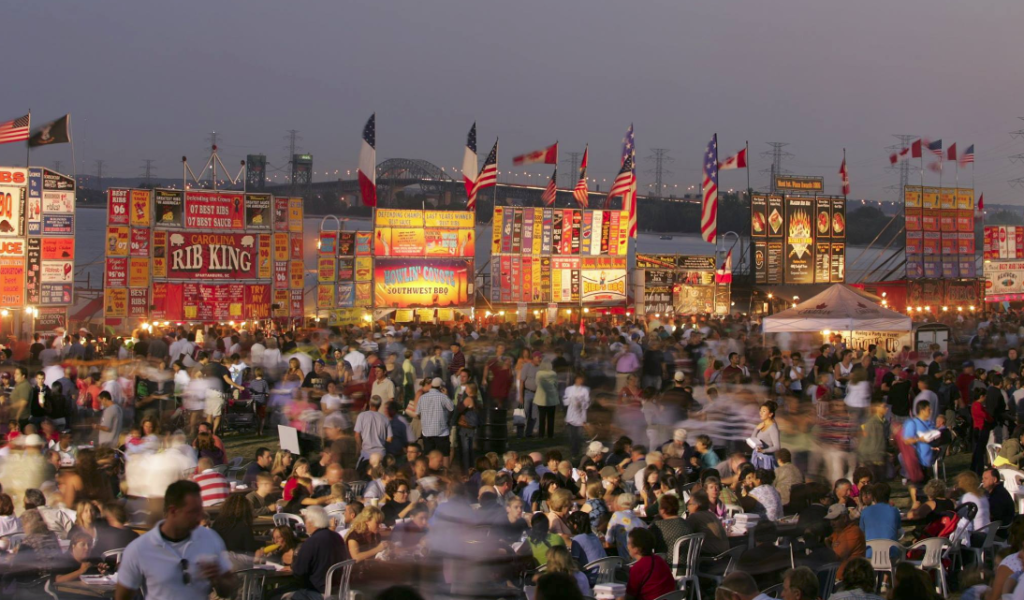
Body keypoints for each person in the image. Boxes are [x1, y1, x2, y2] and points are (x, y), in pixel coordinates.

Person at [115, 481, 237, 600]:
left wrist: (218, 579)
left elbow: (230, 590)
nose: (199, 517)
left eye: (200, 510)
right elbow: (122, 596)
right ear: (173, 511)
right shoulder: (140, 548)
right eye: (193, 512)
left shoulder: (210, 538)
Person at [283, 506, 350, 600]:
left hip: (316, 593)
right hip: (339, 591)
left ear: (311, 522)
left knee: (273, 595)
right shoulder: (338, 538)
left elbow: (299, 572)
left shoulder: (311, 542)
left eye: (306, 521)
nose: (305, 524)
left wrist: (292, 566)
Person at [624, 528, 675, 600]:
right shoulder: (659, 560)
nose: (627, 546)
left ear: (636, 549)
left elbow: (629, 597)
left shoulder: (638, 568)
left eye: (629, 543)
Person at [824, 504, 865, 581]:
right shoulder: (838, 531)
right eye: (830, 520)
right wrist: (829, 546)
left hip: (849, 580)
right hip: (836, 578)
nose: (831, 523)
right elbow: (827, 542)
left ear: (844, 518)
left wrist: (829, 547)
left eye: (835, 519)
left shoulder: (853, 532)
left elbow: (834, 557)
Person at [416, 378, 453, 461]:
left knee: (428, 455)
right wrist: (446, 395)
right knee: (445, 455)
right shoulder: (443, 397)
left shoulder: (422, 398)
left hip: (427, 432)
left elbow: (417, 413)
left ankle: (429, 472)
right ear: (440, 387)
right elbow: (451, 408)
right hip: (442, 432)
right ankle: (445, 473)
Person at [354, 395, 393, 464]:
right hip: (381, 454)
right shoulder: (385, 419)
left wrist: (358, 450)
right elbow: (390, 438)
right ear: (380, 405)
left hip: (366, 453)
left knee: (360, 472)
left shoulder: (362, 416)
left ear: (369, 403)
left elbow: (357, 435)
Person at [563, 373, 591, 459]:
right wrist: (572, 400)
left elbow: (587, 402)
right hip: (571, 416)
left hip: (581, 417)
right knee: (572, 436)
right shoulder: (569, 389)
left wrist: (581, 403)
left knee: (579, 436)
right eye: (578, 379)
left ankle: (579, 451)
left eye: (581, 379)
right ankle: (573, 452)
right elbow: (565, 401)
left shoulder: (586, 390)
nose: (580, 381)